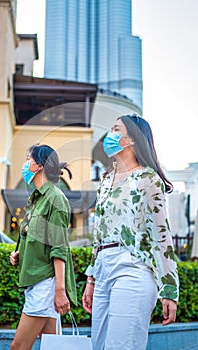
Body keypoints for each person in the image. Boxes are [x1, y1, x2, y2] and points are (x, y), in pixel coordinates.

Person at [82, 114, 179, 350]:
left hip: (133, 268)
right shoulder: (105, 180)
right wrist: (91, 278)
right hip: (103, 270)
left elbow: (161, 234)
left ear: (132, 139)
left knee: (121, 345)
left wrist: (170, 288)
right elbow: (99, 234)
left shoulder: (148, 178)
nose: (110, 135)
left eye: (116, 130)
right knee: (99, 345)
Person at [10, 144, 77, 350]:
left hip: (45, 284)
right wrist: (21, 254)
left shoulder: (55, 198)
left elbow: (58, 247)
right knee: (51, 346)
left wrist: (60, 290)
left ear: (39, 165)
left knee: (18, 347)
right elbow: (39, 239)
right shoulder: (37, 198)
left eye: (28, 159)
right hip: (38, 282)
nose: (25, 164)